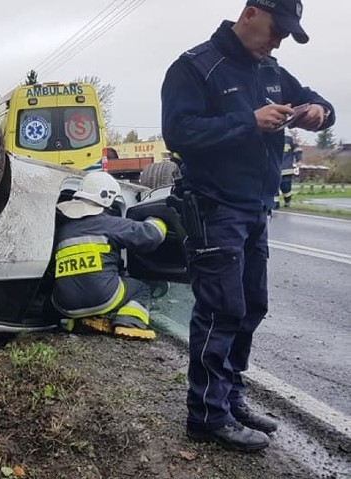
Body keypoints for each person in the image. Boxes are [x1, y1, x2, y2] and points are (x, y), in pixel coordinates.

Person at [161, 0, 335, 452]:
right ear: (250, 13)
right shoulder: (195, 67)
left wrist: (318, 111)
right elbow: (179, 134)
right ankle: (206, 415)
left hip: (257, 208)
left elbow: (320, 102)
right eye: (276, 31)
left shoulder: (272, 70)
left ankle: (231, 396)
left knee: (251, 306)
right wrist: (248, 121)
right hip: (215, 209)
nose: (277, 42)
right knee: (221, 311)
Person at [51, 172, 167, 341]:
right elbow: (151, 235)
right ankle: (129, 322)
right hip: (101, 297)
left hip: (63, 305)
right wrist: (159, 220)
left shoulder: (63, 230)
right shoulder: (109, 223)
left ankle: (76, 321)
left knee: (103, 280)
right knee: (140, 289)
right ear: (108, 199)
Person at [277, 133, 304, 208]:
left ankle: (287, 201)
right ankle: (275, 204)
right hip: (273, 168)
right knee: (273, 187)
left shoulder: (289, 139)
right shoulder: (269, 135)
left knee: (286, 187)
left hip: (286, 169)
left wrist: (299, 159)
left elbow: (297, 149)